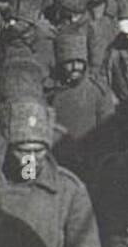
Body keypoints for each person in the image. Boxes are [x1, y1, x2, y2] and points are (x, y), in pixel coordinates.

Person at [0, 98, 104, 247]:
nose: (30, 160)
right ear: (8, 148)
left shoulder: (68, 190)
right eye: (23, 150)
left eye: (38, 151)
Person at [47, 25, 116, 167]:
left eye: (79, 62)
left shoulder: (98, 92)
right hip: (57, 160)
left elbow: (108, 135)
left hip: (90, 160)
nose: (75, 67)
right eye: (69, 62)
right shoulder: (51, 90)